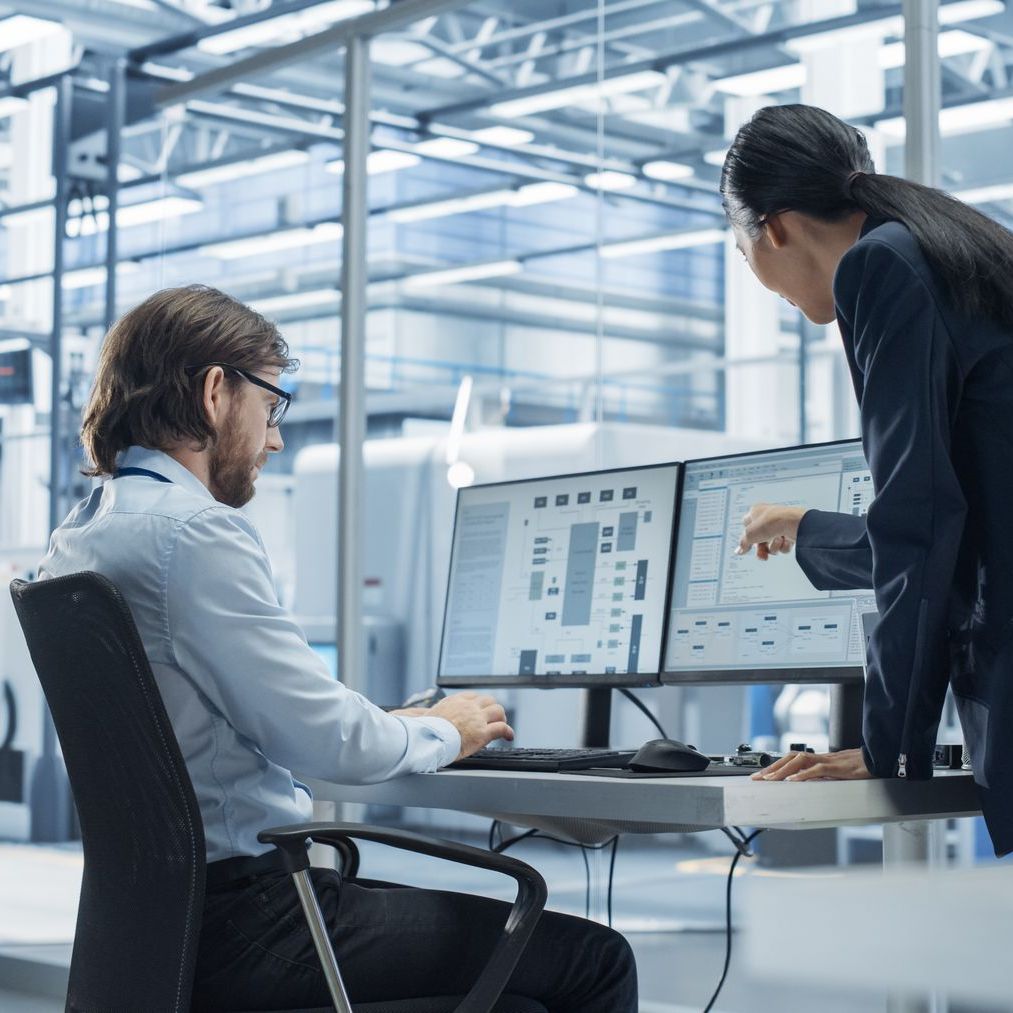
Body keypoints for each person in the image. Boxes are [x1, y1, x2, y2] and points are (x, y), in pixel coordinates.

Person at [39, 285, 638, 1011]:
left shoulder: (76, 539)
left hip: (156, 924)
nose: (275, 438)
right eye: (271, 407)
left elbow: (233, 718)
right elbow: (332, 745)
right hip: (257, 923)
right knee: (593, 958)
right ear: (216, 391)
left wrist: (383, 720)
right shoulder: (192, 534)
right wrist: (445, 727)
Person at [722, 103, 1013, 857]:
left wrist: (892, 752)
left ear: (772, 227)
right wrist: (811, 532)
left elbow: (919, 525)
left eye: (736, 246)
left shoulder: (879, 266)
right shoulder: (945, 249)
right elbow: (969, 521)